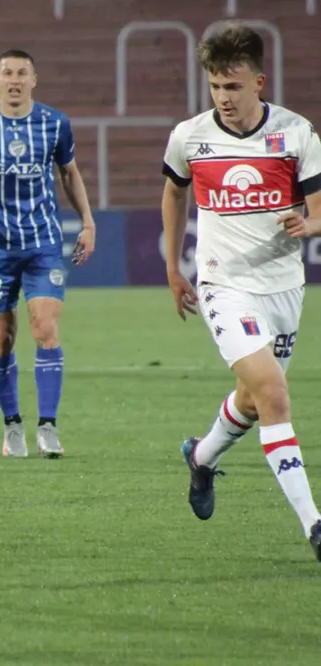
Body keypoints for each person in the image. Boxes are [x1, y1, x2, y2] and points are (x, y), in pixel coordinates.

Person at [161, 24, 321, 559]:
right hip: (223, 284)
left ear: (259, 81)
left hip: (283, 287)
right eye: (215, 87)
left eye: (232, 87)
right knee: (274, 395)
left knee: (253, 401)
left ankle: (201, 458)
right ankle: (314, 526)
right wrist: (173, 266)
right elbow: (173, 194)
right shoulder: (190, 136)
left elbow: (318, 212)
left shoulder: (297, 134)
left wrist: (309, 224)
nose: (223, 99)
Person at [0, 49, 96, 458]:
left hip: (42, 243)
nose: (13, 80)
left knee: (45, 328)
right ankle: (12, 425)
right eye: (7, 73)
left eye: (21, 73)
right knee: (2, 337)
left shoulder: (53, 123)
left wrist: (88, 222)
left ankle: (48, 426)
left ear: (33, 80)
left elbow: (70, 174)